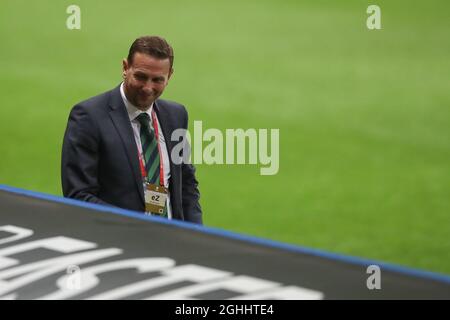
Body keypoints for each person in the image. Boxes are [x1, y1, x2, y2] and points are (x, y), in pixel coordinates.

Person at [61, 36, 202, 224]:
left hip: (170, 239)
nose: (148, 87)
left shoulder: (176, 116)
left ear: (169, 76)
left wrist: (195, 233)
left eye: (157, 79)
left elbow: (186, 185)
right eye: (141, 76)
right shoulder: (89, 117)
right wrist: (137, 229)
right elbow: (79, 196)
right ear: (125, 68)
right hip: (118, 241)